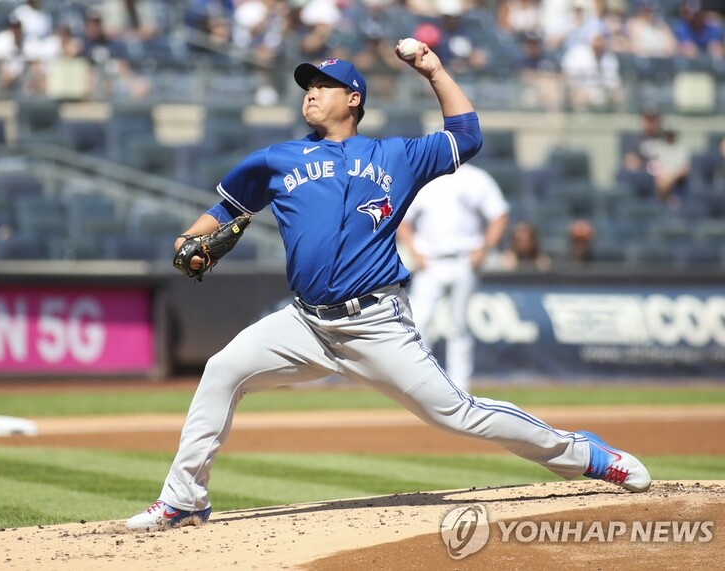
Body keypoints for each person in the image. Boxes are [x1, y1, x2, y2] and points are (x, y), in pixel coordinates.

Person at [126, 41, 651, 531]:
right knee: (222, 370)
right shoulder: (276, 159)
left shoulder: (395, 156)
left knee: (458, 415)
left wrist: (433, 71)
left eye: (323, 85)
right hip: (304, 321)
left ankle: (585, 454)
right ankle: (185, 498)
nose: (310, 91)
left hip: (375, 322)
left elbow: (466, 136)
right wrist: (185, 239)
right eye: (307, 84)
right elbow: (225, 210)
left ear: (353, 99)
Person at [397, 163, 510, 393]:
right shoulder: (425, 177)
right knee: (419, 323)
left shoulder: (475, 178)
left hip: (464, 260)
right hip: (430, 262)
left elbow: (500, 214)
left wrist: (485, 248)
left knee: (459, 325)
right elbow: (401, 217)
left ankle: (460, 389)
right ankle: (422, 386)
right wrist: (413, 250)